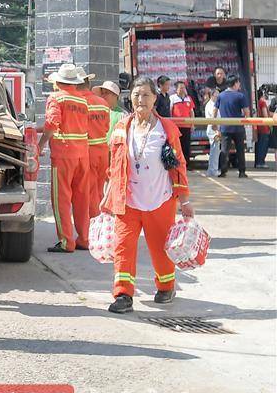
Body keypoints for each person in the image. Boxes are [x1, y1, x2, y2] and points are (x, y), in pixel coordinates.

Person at [100, 76, 193, 313]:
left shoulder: (167, 130)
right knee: (123, 247)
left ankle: (166, 286)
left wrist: (184, 200)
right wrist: (107, 193)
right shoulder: (122, 128)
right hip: (127, 200)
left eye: (145, 95)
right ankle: (123, 294)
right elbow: (114, 165)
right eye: (136, 95)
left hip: (159, 199)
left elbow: (178, 165)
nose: (140, 99)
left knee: (160, 246)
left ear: (154, 99)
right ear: (129, 98)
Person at [39, 63, 90, 253]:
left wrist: (41, 143)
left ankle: (66, 242)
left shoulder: (56, 98)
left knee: (61, 199)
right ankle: (84, 239)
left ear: (58, 82)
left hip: (63, 155)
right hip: (82, 155)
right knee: (81, 199)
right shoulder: (82, 101)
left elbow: (52, 124)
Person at [83, 74, 112, 213]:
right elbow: (107, 127)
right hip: (103, 151)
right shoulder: (104, 104)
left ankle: (94, 224)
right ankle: (101, 221)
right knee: (100, 189)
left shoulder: (80, 102)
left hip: (89, 151)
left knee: (91, 192)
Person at [215, 76, 251, 179]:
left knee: (224, 150)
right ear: (235, 84)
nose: (239, 85)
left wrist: (214, 122)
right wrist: (247, 121)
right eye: (238, 83)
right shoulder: (240, 96)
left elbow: (215, 110)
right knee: (240, 150)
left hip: (225, 127)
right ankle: (242, 172)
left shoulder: (221, 96)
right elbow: (246, 111)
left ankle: (223, 171)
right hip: (238, 127)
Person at [170, 81, 196, 162]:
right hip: (176, 126)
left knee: (186, 146)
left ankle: (186, 163)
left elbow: (191, 112)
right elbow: (170, 111)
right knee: (177, 145)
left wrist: (192, 124)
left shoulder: (188, 98)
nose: (182, 89)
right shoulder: (172, 98)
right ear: (176, 89)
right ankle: (177, 163)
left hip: (187, 126)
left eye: (184, 88)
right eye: (180, 88)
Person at [203, 86, 223, 178]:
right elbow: (213, 120)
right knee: (214, 152)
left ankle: (213, 169)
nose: (218, 97)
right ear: (212, 95)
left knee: (215, 151)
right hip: (213, 129)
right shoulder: (211, 105)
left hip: (216, 129)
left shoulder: (216, 104)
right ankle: (212, 170)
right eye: (216, 95)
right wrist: (217, 131)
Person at [255, 88, 272, 169]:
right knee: (263, 146)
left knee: (258, 145)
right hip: (264, 127)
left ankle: (257, 161)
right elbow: (265, 115)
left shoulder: (257, 102)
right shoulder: (262, 102)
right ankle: (261, 162)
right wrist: (269, 125)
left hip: (258, 126)